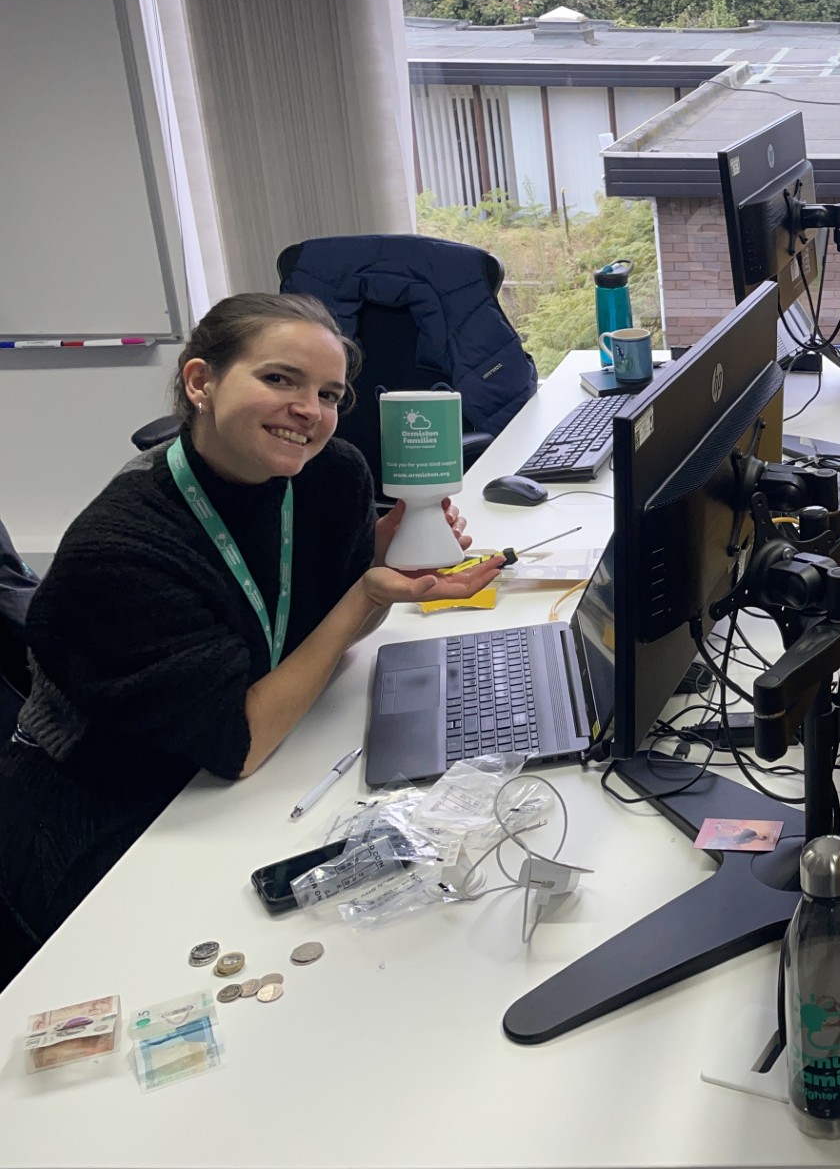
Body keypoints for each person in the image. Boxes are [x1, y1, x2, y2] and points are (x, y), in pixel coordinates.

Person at [0, 294, 501, 975]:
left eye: (329, 393)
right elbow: (238, 745)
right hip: (113, 809)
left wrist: (384, 563)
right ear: (200, 382)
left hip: (242, 763)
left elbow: (331, 628)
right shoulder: (120, 550)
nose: (310, 410)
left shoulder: (331, 473)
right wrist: (363, 595)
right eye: (279, 379)